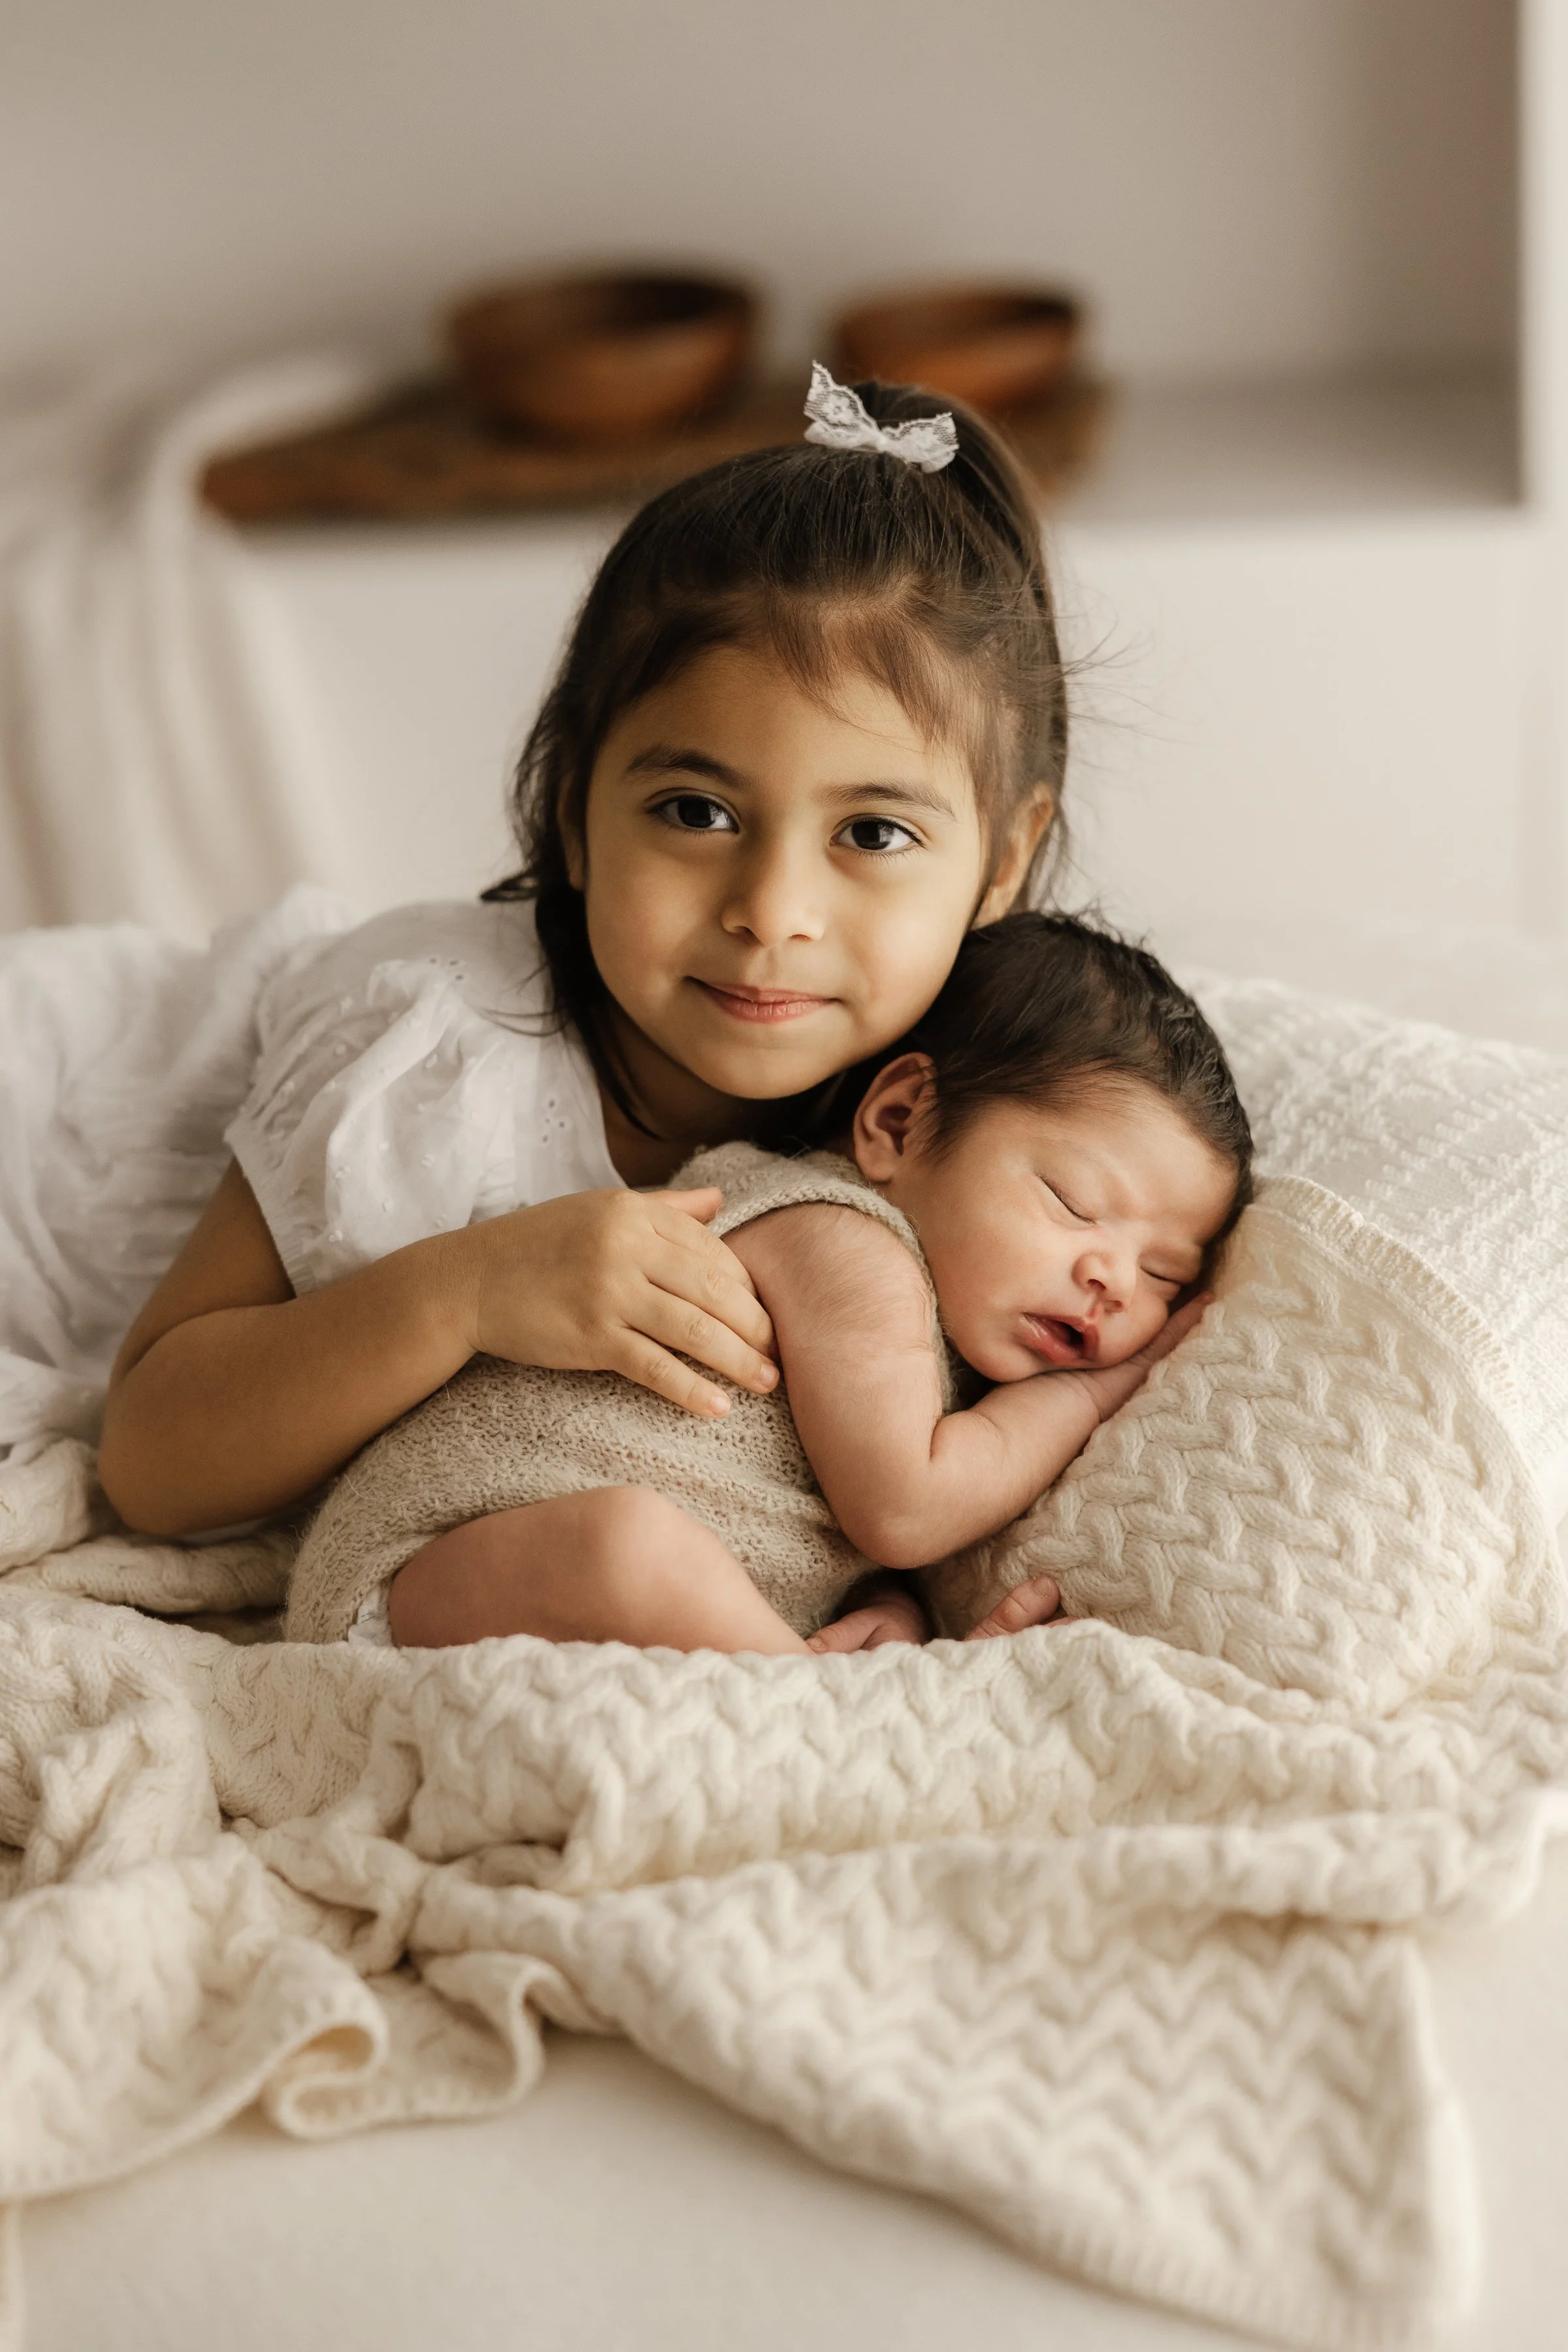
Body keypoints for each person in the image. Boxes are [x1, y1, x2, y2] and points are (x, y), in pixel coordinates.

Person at [95, 370, 1075, 1543]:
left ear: (1005, 859)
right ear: (572, 812)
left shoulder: (969, 1115)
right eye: (697, 813)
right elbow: (148, 1459)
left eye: (872, 834)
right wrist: (467, 1291)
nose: (772, 913)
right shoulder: (436, 1052)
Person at [284, 914, 1252, 1657]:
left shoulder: (949, 1327)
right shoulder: (842, 1240)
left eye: (1164, 1274)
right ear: (901, 1122)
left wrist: (887, 1607)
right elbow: (905, 1507)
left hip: (530, 1607)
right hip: (422, 1570)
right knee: (630, 1547)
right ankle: (856, 1720)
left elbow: (816, 1514)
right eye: (1074, 1203)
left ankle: (826, 1692)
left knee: (648, 1555)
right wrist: (1090, 1391)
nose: (1111, 1280)